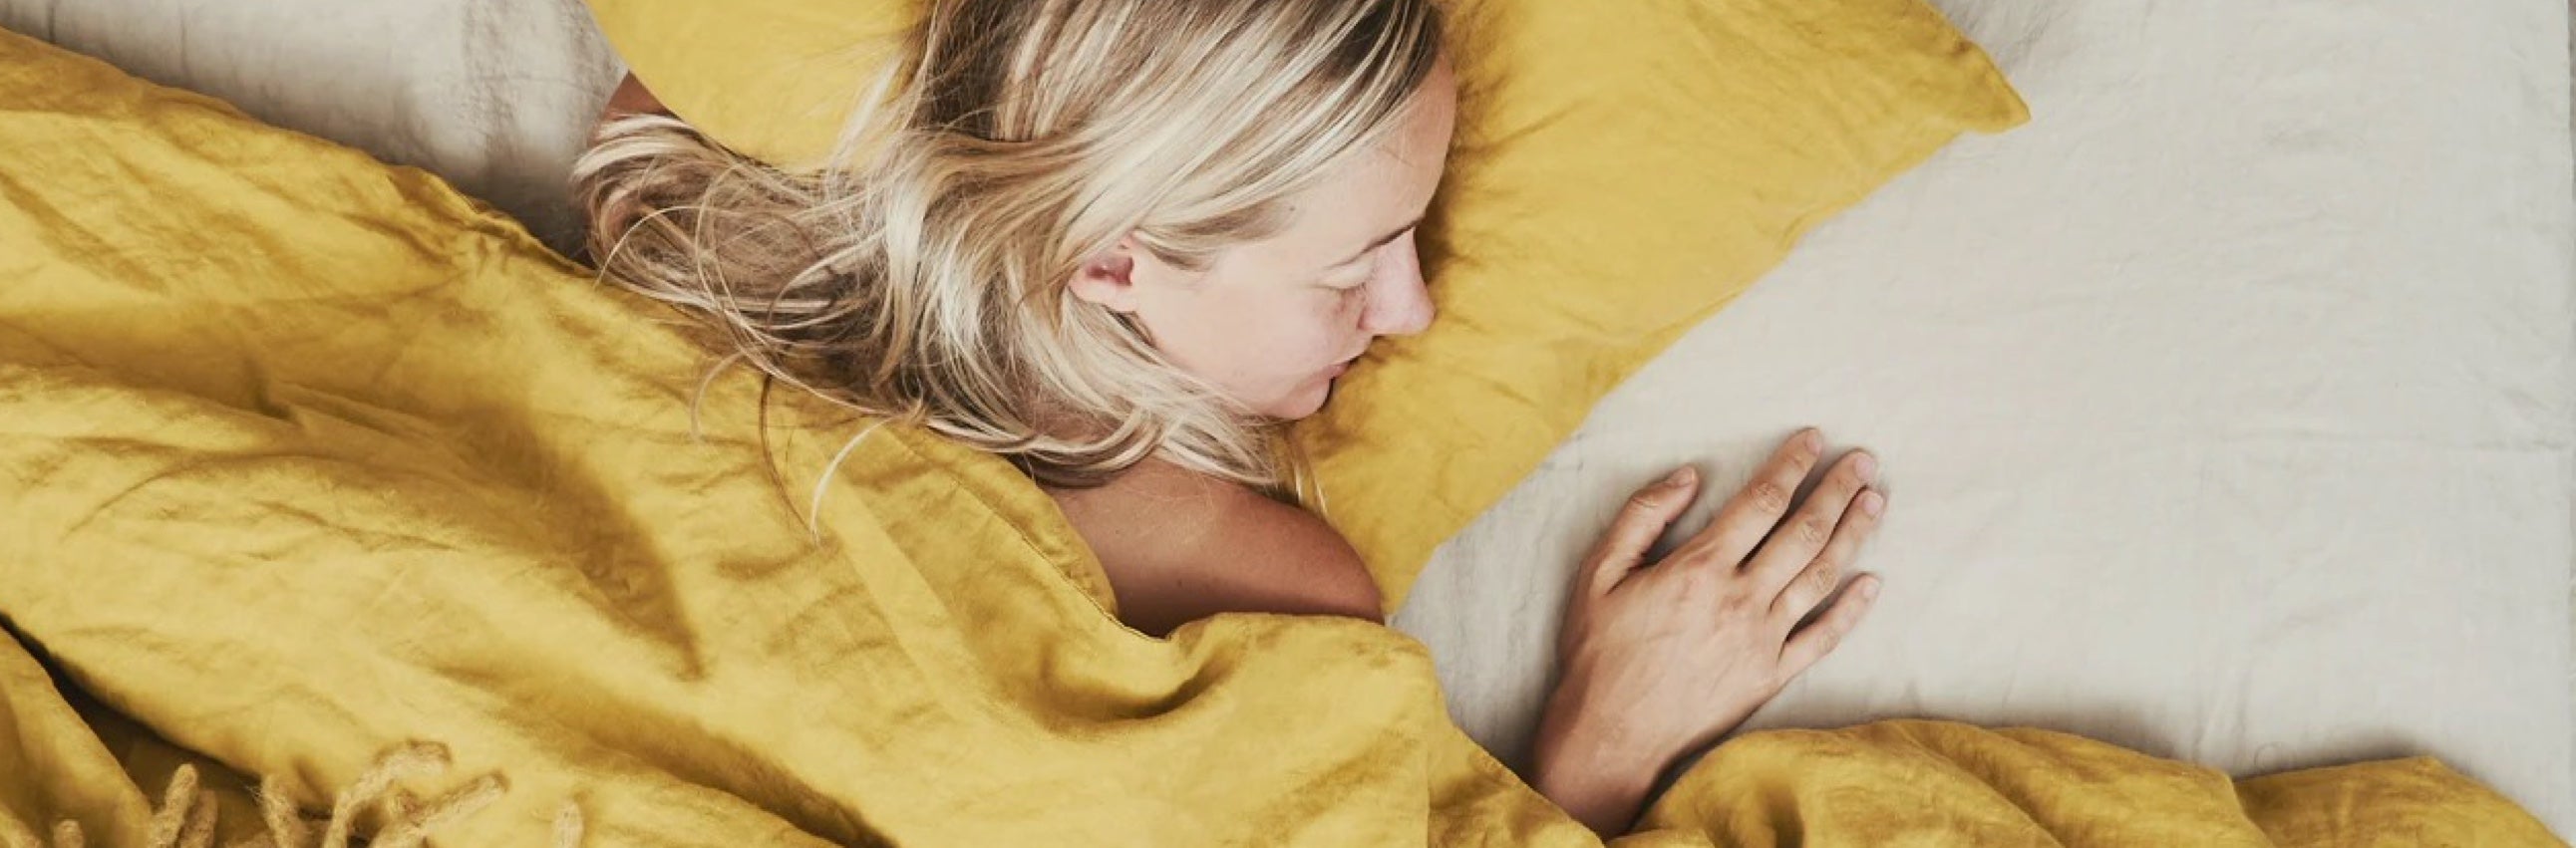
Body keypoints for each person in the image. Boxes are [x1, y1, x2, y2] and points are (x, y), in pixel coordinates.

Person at [575, 0, 1884, 835]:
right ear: (1110, 265)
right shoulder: (1257, 576)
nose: (1413, 311)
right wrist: (1606, 741)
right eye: (1354, 265)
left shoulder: (675, 228)